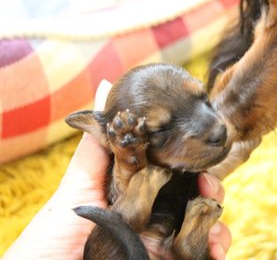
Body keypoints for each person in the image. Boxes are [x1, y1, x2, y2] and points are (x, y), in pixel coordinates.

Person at [3, 80, 231, 260]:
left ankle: (187, 241)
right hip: (120, 247)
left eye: (203, 99)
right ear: (106, 134)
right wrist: (128, 158)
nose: (213, 128)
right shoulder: (125, 148)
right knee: (124, 196)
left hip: (146, 227)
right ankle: (145, 202)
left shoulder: (188, 152)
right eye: (161, 129)